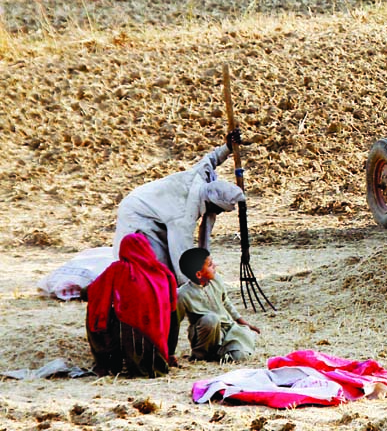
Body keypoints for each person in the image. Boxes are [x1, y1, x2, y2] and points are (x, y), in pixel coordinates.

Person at [114, 133, 246, 284]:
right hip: (137, 213)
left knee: (166, 265)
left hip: (156, 208)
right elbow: (182, 255)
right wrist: (192, 285)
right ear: (212, 204)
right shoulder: (184, 215)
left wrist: (227, 147)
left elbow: (210, 160)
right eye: (219, 210)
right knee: (157, 265)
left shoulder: (201, 178)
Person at [86, 233, 179, 377]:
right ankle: (168, 355)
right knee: (170, 314)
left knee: (98, 310)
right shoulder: (163, 272)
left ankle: (108, 361)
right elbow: (173, 314)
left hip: (129, 339)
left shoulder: (118, 269)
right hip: (157, 348)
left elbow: (92, 291)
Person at [177, 247, 260, 363]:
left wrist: (244, 323)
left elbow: (226, 302)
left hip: (227, 330)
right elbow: (175, 323)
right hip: (205, 336)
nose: (215, 265)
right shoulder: (182, 294)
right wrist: (170, 353)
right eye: (210, 265)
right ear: (199, 274)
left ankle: (220, 352)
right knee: (211, 319)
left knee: (240, 357)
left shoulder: (217, 280)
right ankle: (201, 355)